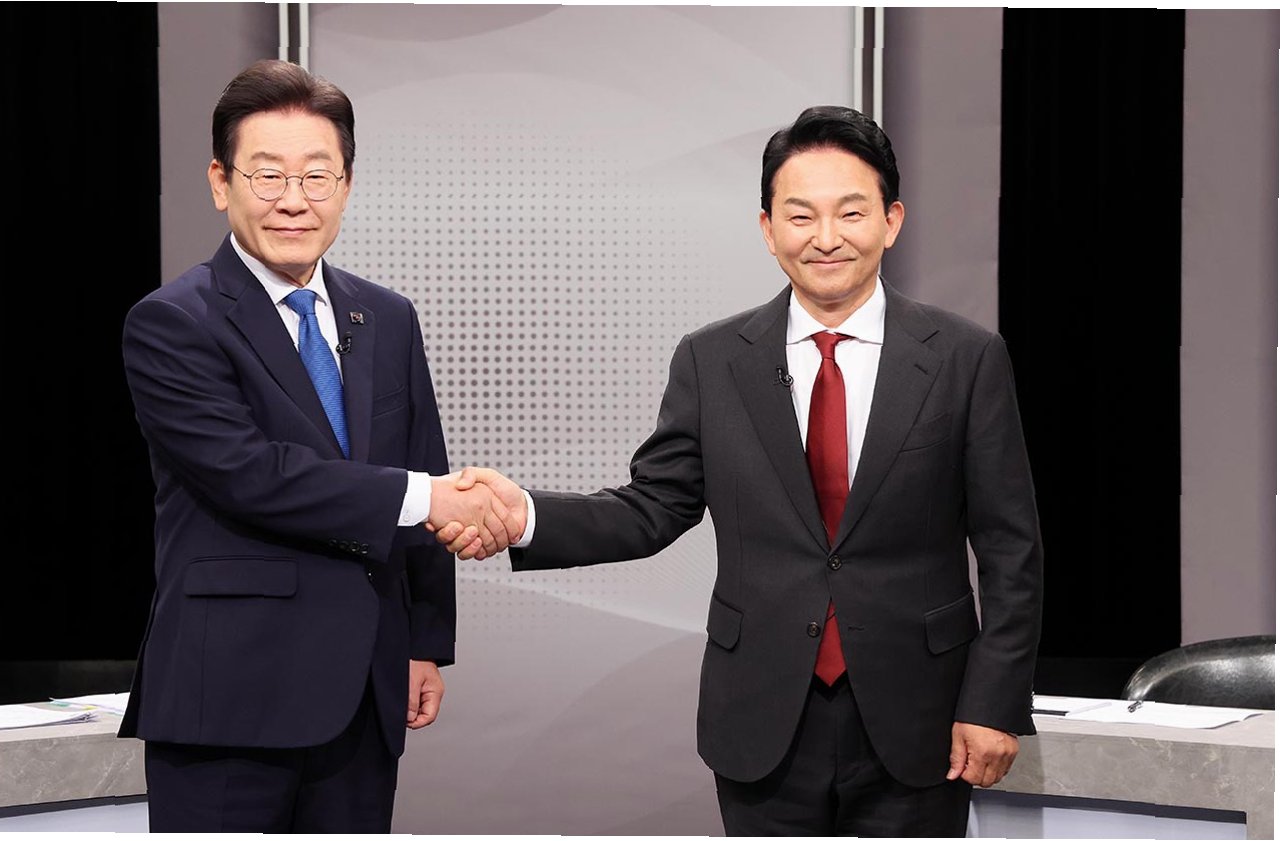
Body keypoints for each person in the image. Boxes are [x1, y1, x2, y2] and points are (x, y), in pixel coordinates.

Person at [437, 106, 1044, 837]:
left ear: (891, 221)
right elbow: (653, 506)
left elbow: (1011, 548)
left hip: (923, 714)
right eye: (801, 215)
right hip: (763, 712)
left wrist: (993, 701)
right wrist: (524, 516)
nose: (826, 237)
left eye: (851, 212)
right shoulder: (713, 359)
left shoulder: (965, 358)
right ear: (767, 229)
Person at [119, 59, 511, 833]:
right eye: (267, 175)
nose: (293, 200)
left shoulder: (386, 315)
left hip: (365, 690)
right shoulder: (172, 321)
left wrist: (424, 641)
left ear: (347, 185)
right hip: (229, 698)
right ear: (220, 182)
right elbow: (251, 474)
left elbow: (422, 461)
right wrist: (430, 496)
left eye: (316, 176)